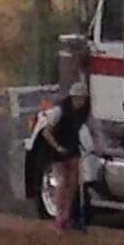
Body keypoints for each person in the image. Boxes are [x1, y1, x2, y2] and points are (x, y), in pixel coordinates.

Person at [38, 81, 91, 232]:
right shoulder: (59, 111)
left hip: (72, 148)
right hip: (58, 150)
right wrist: (57, 147)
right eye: (79, 98)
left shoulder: (82, 111)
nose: (81, 101)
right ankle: (59, 217)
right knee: (62, 181)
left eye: (83, 98)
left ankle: (67, 216)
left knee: (74, 183)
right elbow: (46, 132)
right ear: (73, 97)